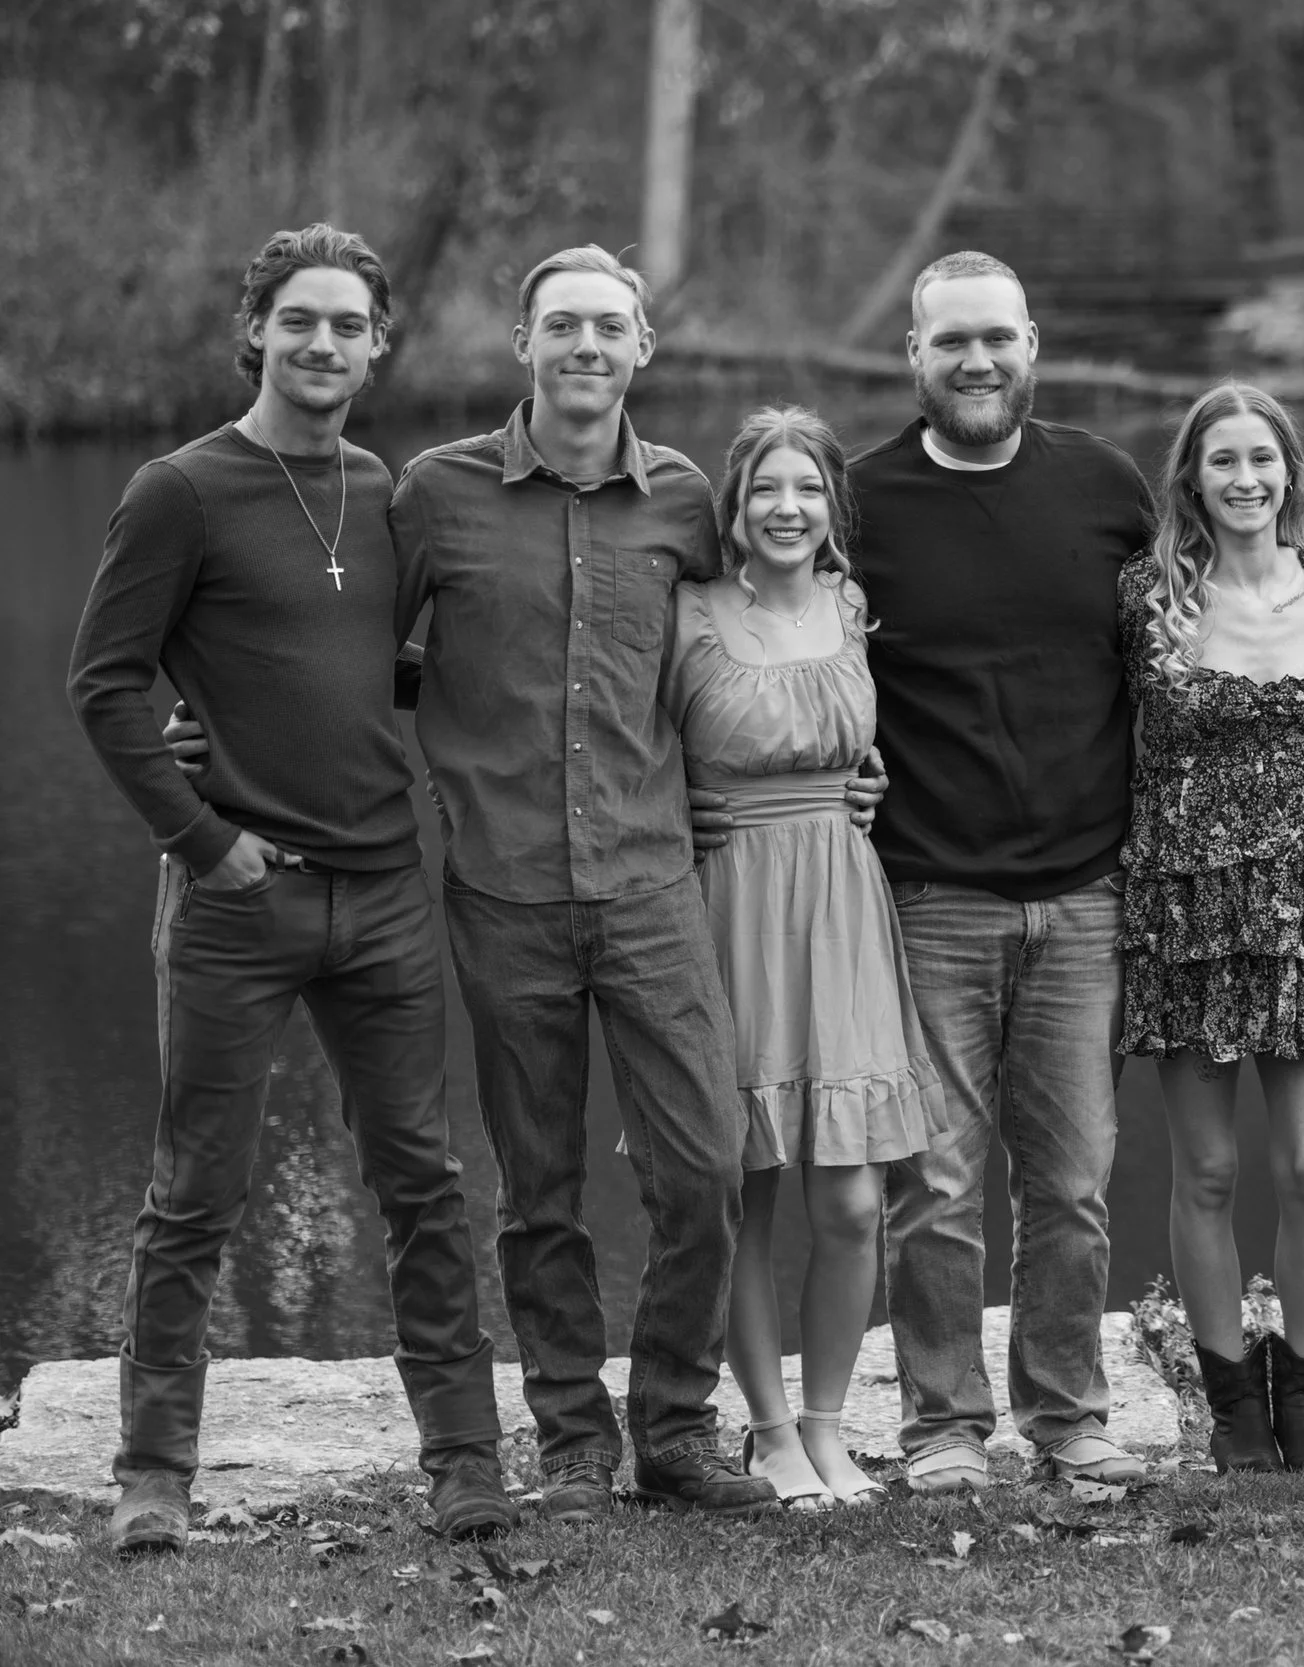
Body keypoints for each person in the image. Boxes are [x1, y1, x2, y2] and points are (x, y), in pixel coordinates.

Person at [849, 253, 1304, 1493]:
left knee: (1071, 1182)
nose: (976, 361)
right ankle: (945, 1427)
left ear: (1032, 345)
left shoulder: (1103, 485)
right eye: (951, 341)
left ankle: (1067, 1415)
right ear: (914, 355)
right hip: (928, 889)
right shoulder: (862, 500)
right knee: (936, 1181)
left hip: (1087, 890)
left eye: (997, 338)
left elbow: (1193, 646)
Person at [66, 225, 514, 1552]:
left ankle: (465, 1458)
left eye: (349, 325)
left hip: (384, 892)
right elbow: (104, 683)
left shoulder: (384, 490)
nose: (324, 343)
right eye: (300, 319)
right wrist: (201, 836)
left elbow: (372, 666)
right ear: (256, 329)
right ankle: (153, 1472)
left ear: (379, 347)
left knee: (424, 1179)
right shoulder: (180, 489)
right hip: (237, 897)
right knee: (195, 1191)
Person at [389, 246, 774, 1518]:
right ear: (524, 343)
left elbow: (750, 647)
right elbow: (344, 650)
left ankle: (674, 1427)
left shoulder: (686, 503)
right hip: (502, 887)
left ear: (643, 347)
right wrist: (221, 731)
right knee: (537, 1183)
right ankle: (569, 1437)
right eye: (563, 325)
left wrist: (835, 765)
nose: (586, 347)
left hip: (652, 882)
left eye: (610, 326)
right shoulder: (435, 494)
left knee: (706, 1165)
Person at [670, 406, 944, 1505]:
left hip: (842, 900)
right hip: (731, 901)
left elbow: (870, 740)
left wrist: (866, 783)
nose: (788, 509)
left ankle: (829, 1428)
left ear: (832, 506)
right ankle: (770, 1432)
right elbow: (627, 744)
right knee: (744, 1192)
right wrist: (672, 807)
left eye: (808, 489)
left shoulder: (851, 605)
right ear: (733, 507)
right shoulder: (688, 611)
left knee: (853, 1201)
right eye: (766, 489)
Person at [1122, 382, 1304, 1473]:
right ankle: (1231, 1401)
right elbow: (1114, 740)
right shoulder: (1149, 596)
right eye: (1221, 459)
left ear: (1289, 471)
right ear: (1191, 476)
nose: (1244, 479)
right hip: (1185, 905)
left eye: (1261, 458)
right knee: (1211, 1169)